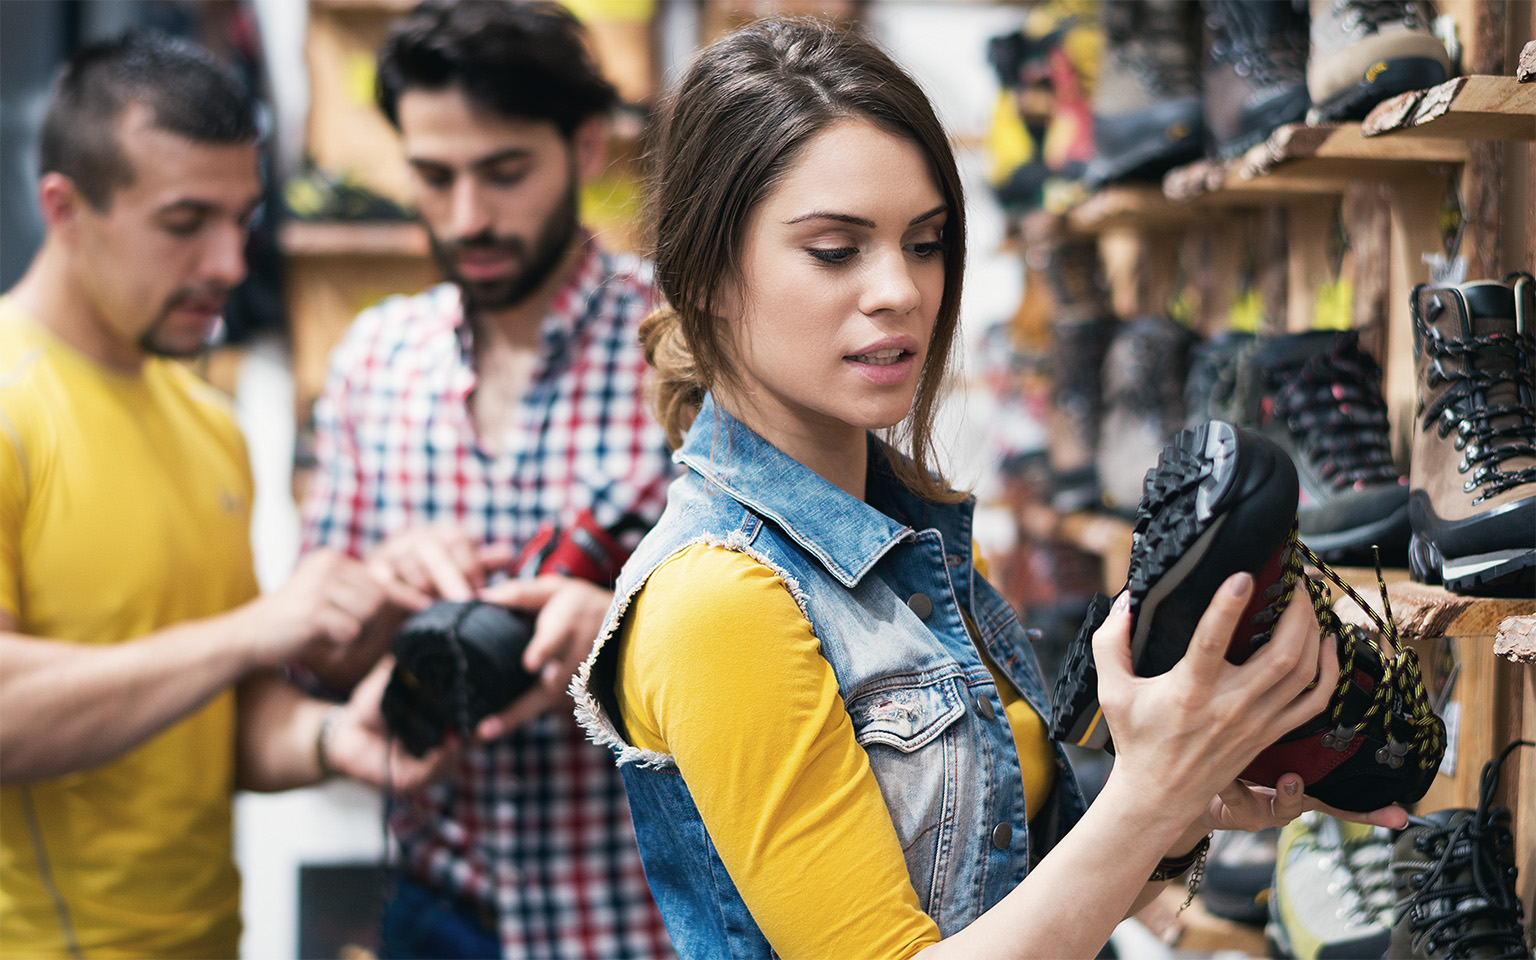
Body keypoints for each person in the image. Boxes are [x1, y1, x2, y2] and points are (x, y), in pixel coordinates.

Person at [569, 18, 1409, 959]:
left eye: (925, 243)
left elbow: (1007, 899)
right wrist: (1148, 796)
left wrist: (1182, 807)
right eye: (836, 250)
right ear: (708, 275)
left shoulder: (905, 539)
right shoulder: (718, 602)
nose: (901, 290)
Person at [0, 32, 447, 960]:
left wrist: (333, 736)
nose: (230, 265)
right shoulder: (9, 404)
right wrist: (259, 628)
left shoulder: (209, 422)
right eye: (183, 222)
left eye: (241, 219)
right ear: (64, 209)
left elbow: (215, 717)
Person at [298, 2, 675, 957]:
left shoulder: (686, 350)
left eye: (504, 173)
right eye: (433, 176)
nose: (468, 216)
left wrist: (621, 640)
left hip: (642, 911)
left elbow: (807, 634)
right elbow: (318, 664)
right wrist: (380, 591)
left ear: (585, 148)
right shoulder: (373, 361)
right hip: (439, 906)